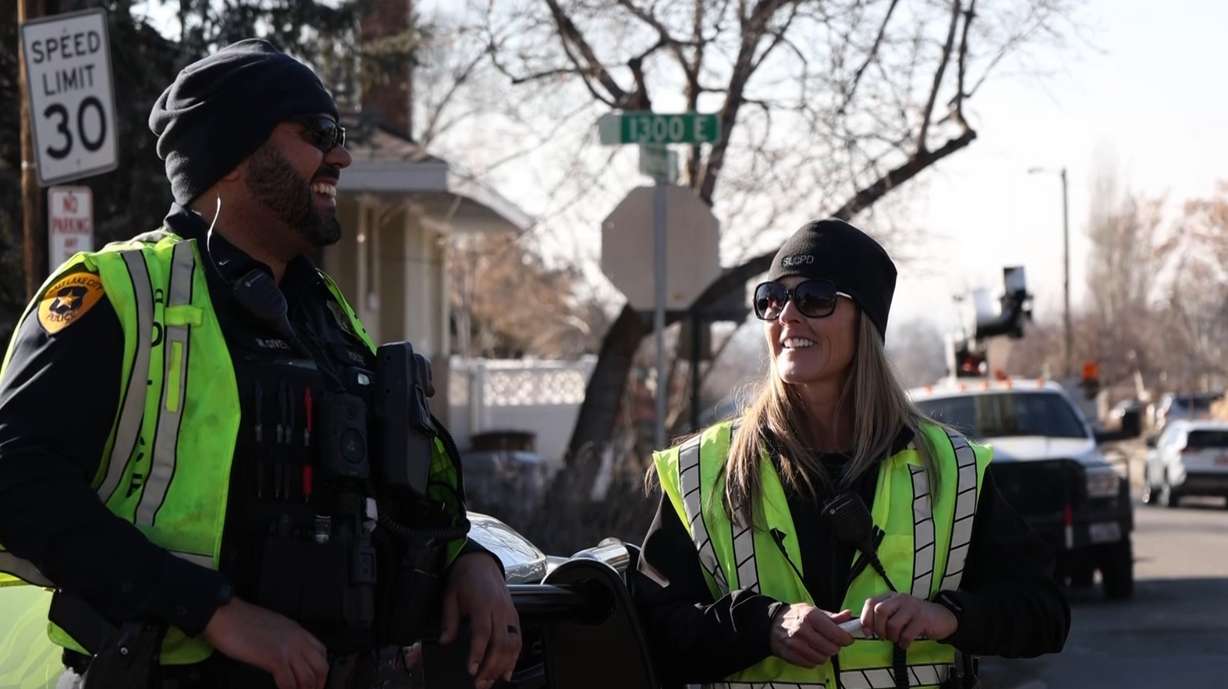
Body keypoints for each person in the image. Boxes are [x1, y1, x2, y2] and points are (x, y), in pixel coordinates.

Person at [0, 39, 519, 689]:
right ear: (236, 154)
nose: (343, 154)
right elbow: (15, 484)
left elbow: (377, 495)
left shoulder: (326, 316)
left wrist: (468, 559)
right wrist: (213, 610)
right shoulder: (115, 295)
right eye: (319, 132)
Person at [630, 219, 1070, 689]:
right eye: (772, 299)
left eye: (814, 298)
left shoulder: (952, 468)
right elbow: (650, 634)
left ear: (866, 321)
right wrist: (763, 625)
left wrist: (949, 616)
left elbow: (1044, 613)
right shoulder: (706, 470)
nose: (787, 316)